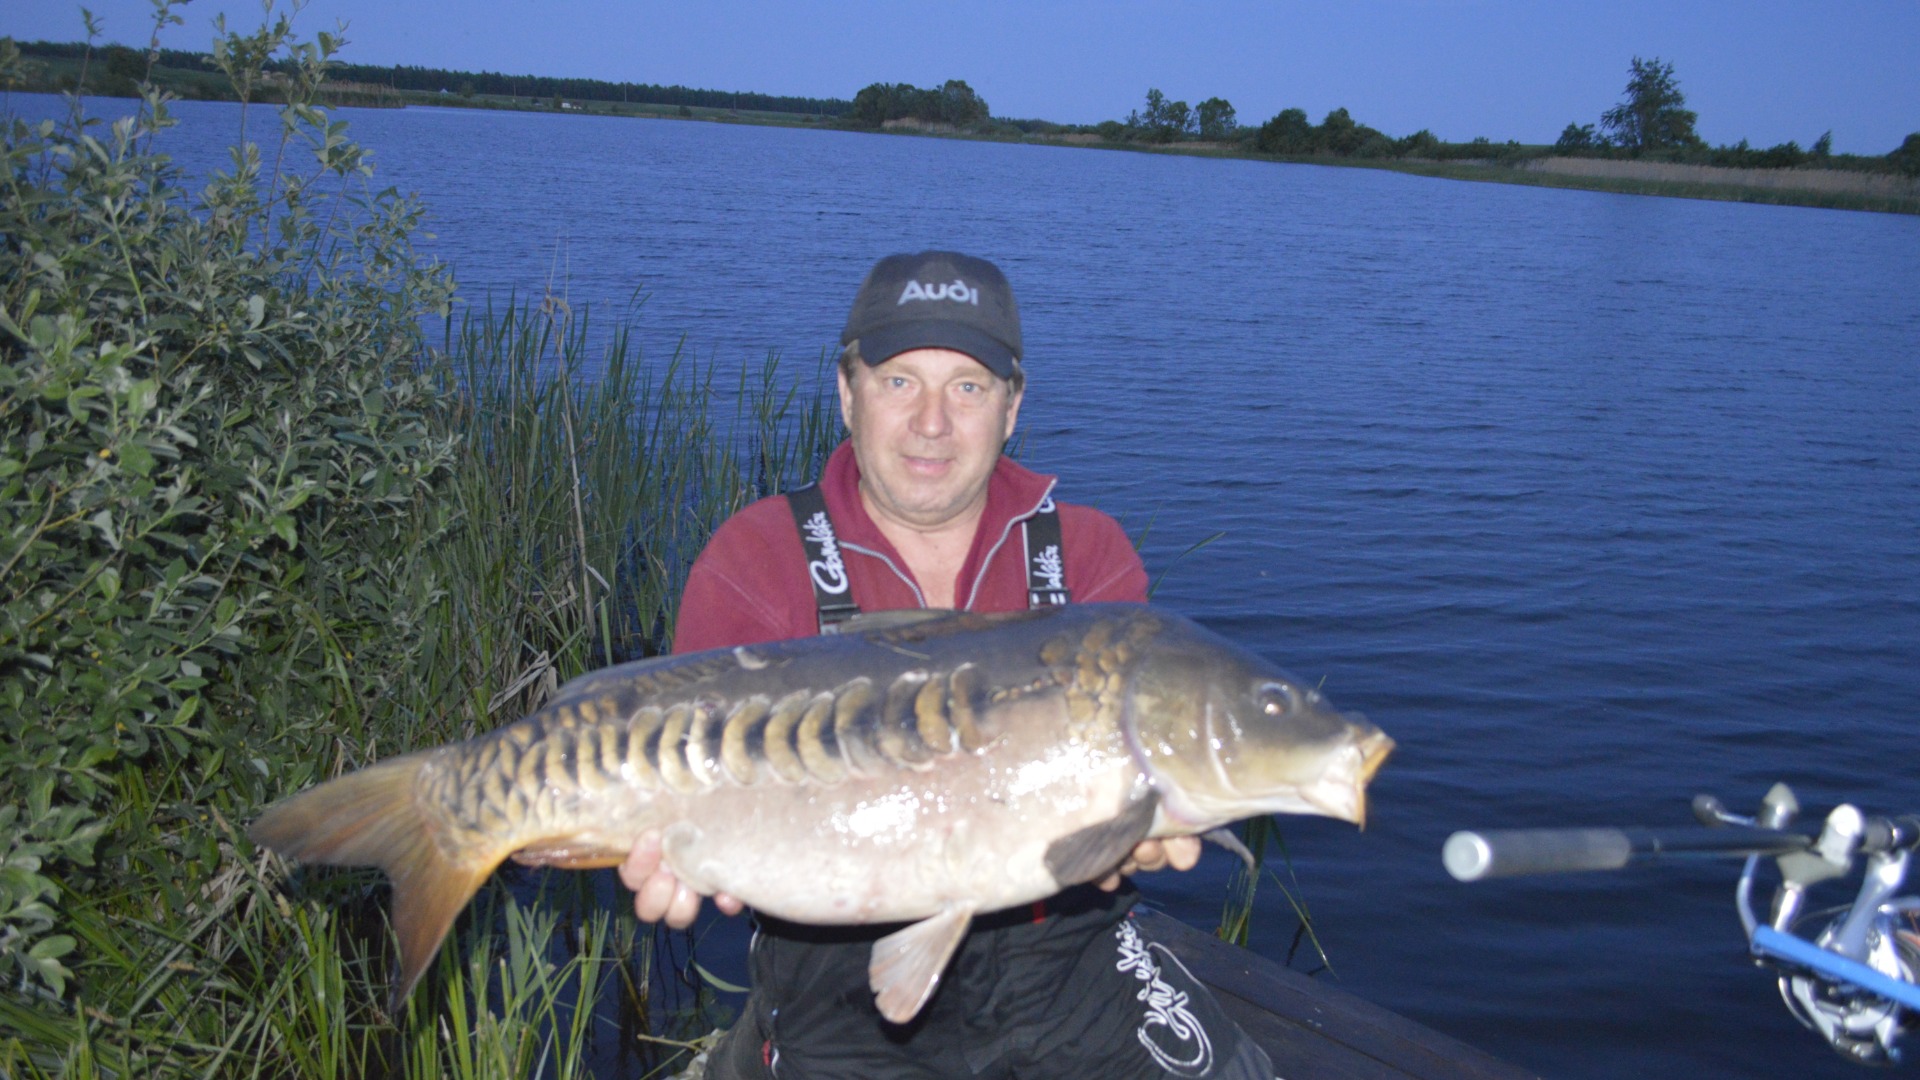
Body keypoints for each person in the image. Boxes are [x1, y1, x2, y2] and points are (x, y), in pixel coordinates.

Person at [619, 251, 1273, 1079]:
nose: (932, 422)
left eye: (967, 386)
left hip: (1063, 965)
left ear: (1012, 406)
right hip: (835, 982)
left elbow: (1142, 777)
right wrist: (680, 850)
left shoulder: (1087, 557)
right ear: (847, 393)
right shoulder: (757, 560)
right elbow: (684, 779)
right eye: (899, 382)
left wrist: (1139, 831)